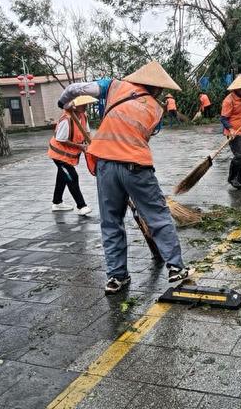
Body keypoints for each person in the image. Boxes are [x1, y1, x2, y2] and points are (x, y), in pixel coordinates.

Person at [57, 61, 194, 294]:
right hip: (136, 167)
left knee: (111, 221)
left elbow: (74, 90)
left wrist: (63, 102)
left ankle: (116, 277)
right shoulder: (157, 110)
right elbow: (142, 136)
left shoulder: (114, 86)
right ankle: (176, 267)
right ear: (157, 88)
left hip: (105, 165)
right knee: (158, 216)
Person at [47, 95, 96, 216]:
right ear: (75, 106)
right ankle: (81, 206)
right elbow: (61, 139)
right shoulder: (66, 119)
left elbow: (87, 132)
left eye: (86, 104)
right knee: (72, 177)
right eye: (83, 105)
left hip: (69, 156)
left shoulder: (83, 116)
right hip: (59, 155)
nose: (86, 107)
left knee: (63, 177)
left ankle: (57, 202)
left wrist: (92, 144)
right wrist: (80, 147)